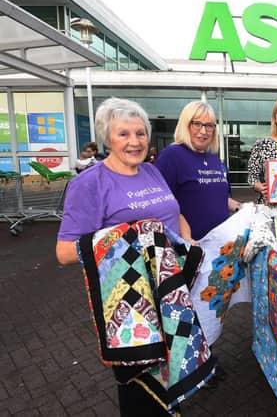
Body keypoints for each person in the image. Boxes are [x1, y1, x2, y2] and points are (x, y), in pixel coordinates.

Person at [56, 97, 194, 416]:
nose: (134, 142)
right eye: (124, 134)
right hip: (131, 304)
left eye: (140, 133)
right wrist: (128, 237)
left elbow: (175, 212)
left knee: (171, 375)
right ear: (107, 138)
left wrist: (188, 240)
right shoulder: (89, 184)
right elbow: (64, 252)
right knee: (139, 388)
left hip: (171, 291)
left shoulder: (151, 171)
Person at [155, 101, 241, 241]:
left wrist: (241, 207)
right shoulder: (171, 156)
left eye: (209, 126)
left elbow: (214, 195)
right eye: (197, 124)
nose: (203, 131)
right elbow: (160, 205)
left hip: (220, 244)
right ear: (185, 124)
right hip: (191, 246)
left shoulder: (213, 157)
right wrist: (185, 238)